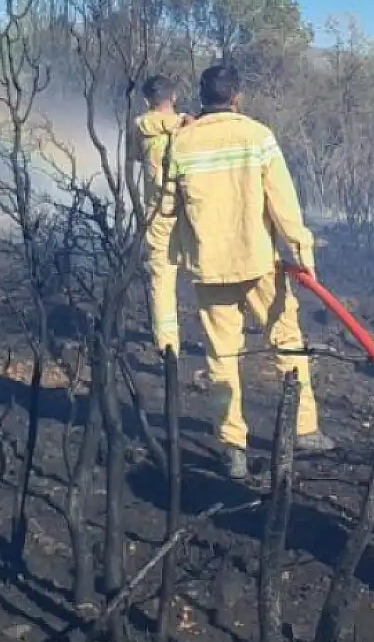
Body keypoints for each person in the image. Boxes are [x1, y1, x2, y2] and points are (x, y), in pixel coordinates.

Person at [159, 63, 332, 480]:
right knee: (287, 342)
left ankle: (232, 447)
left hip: (210, 267)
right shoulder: (258, 136)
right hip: (258, 264)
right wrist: (303, 253)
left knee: (221, 357)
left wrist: (177, 253)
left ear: (202, 97)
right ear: (236, 97)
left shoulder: (181, 142)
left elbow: (166, 207)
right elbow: (284, 204)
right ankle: (304, 429)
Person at [136, 74, 190, 359]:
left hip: (157, 213)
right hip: (192, 210)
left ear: (147, 101)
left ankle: (168, 347)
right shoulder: (189, 127)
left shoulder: (141, 128)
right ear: (174, 97)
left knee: (162, 278)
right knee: (212, 273)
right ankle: (229, 339)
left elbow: (133, 159)